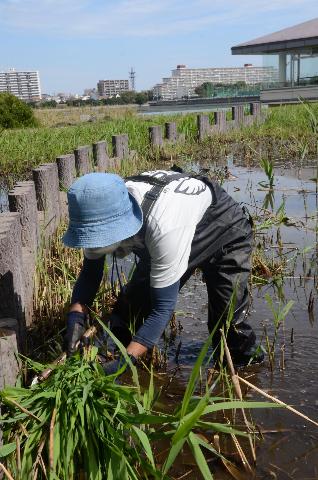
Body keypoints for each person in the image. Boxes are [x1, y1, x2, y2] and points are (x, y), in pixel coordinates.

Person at [63, 169, 262, 373]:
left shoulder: (163, 227)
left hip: (223, 228)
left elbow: (162, 309)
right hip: (175, 221)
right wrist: (75, 318)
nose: (95, 245)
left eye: (101, 241)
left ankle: (247, 370)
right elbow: (90, 274)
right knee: (133, 308)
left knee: (228, 326)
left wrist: (126, 362)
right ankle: (108, 357)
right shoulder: (98, 208)